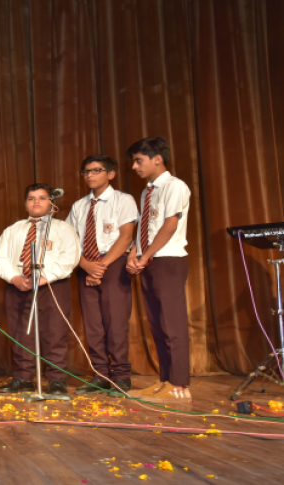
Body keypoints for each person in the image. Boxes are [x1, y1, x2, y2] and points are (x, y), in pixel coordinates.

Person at [0, 183, 80, 396]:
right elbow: (0, 257)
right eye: (31, 198)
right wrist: (14, 277)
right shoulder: (13, 230)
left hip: (52, 286)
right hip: (19, 286)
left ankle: (57, 380)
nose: (36, 202)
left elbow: (70, 257)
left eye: (42, 198)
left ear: (51, 202)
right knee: (21, 334)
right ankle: (23, 377)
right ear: (25, 204)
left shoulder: (63, 229)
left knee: (55, 333)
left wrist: (45, 277)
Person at [125, 137, 192, 403]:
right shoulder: (147, 191)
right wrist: (134, 253)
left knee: (172, 324)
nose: (134, 167)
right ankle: (165, 380)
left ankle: (179, 384)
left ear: (157, 159)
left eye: (138, 160)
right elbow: (145, 228)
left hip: (167, 259)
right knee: (157, 324)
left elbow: (169, 225)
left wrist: (146, 255)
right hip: (150, 260)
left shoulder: (174, 186)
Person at [67, 155, 137, 395]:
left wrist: (101, 267)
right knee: (93, 324)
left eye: (96, 170)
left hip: (113, 263)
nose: (90, 175)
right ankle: (101, 375)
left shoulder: (123, 200)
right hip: (85, 265)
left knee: (116, 322)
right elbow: (70, 240)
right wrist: (86, 266)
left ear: (111, 174)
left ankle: (121, 376)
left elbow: (126, 237)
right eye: (86, 171)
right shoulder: (79, 206)